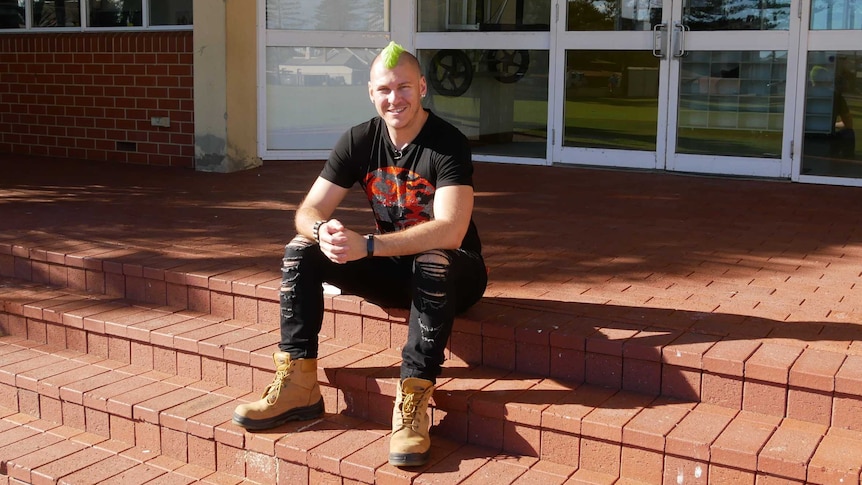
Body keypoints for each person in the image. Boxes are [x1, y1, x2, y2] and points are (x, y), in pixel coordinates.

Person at [232, 41, 488, 468]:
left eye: (404, 87)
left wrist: (367, 245)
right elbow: (308, 211)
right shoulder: (359, 139)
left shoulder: (447, 143)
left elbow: (450, 230)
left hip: (456, 272)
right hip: (394, 271)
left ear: (422, 87)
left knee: (432, 259)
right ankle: (299, 385)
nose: (395, 99)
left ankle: (413, 399)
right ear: (371, 93)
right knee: (302, 251)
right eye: (384, 89)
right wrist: (323, 231)